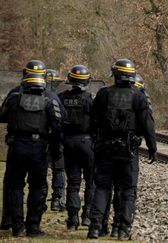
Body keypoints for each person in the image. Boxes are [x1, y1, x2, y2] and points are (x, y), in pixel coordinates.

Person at [87, 59, 157, 240]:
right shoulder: (139, 96)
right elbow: (147, 125)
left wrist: (96, 140)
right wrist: (152, 148)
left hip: (105, 150)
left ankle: (95, 227)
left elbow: (92, 120)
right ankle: (122, 229)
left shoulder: (103, 94)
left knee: (102, 187)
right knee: (127, 190)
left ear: (115, 74)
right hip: (128, 152)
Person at [0, 71, 63, 237]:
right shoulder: (49, 102)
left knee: (15, 187)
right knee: (38, 187)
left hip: (17, 147)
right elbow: (57, 129)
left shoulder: (14, 98)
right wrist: (56, 153)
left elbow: (2, 115)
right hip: (39, 150)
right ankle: (33, 227)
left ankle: (17, 227)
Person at [58, 65, 95, 230]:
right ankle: (87, 216)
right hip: (87, 143)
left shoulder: (60, 98)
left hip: (68, 143)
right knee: (91, 181)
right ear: (87, 81)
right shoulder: (90, 99)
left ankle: (72, 220)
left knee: (73, 182)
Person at [46, 68, 67, 212]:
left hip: (41, 140)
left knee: (39, 172)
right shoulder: (56, 97)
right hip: (55, 138)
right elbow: (63, 118)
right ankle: (56, 199)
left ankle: (40, 202)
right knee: (59, 170)